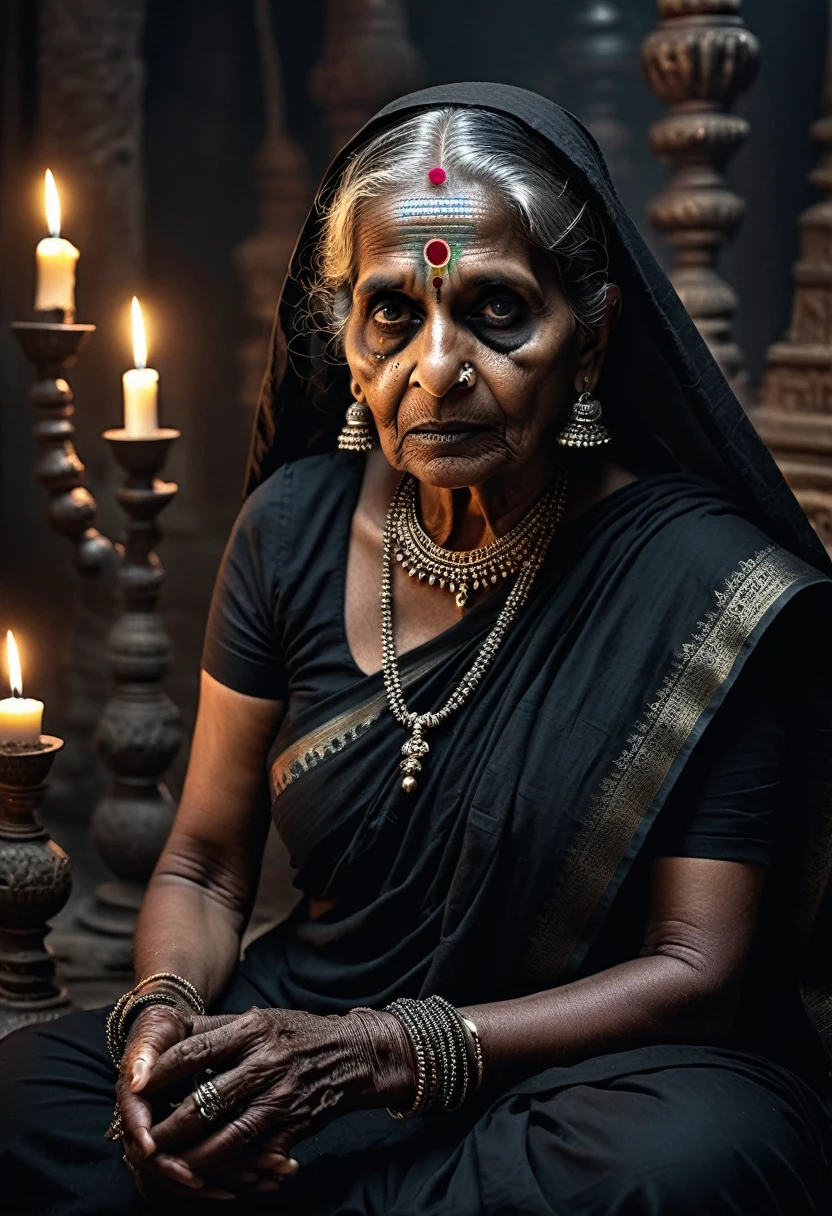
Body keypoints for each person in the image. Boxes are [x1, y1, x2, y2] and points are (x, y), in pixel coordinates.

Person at [2, 82, 832, 1216]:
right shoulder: (290, 528)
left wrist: (391, 1053)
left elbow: (697, 972)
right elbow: (202, 863)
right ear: (343, 342)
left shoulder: (699, 582)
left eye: (496, 309)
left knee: (685, 1165)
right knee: (29, 1100)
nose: (437, 366)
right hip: (306, 1041)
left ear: (587, 338)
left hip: (576, 1070)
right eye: (393, 312)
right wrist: (160, 1022)